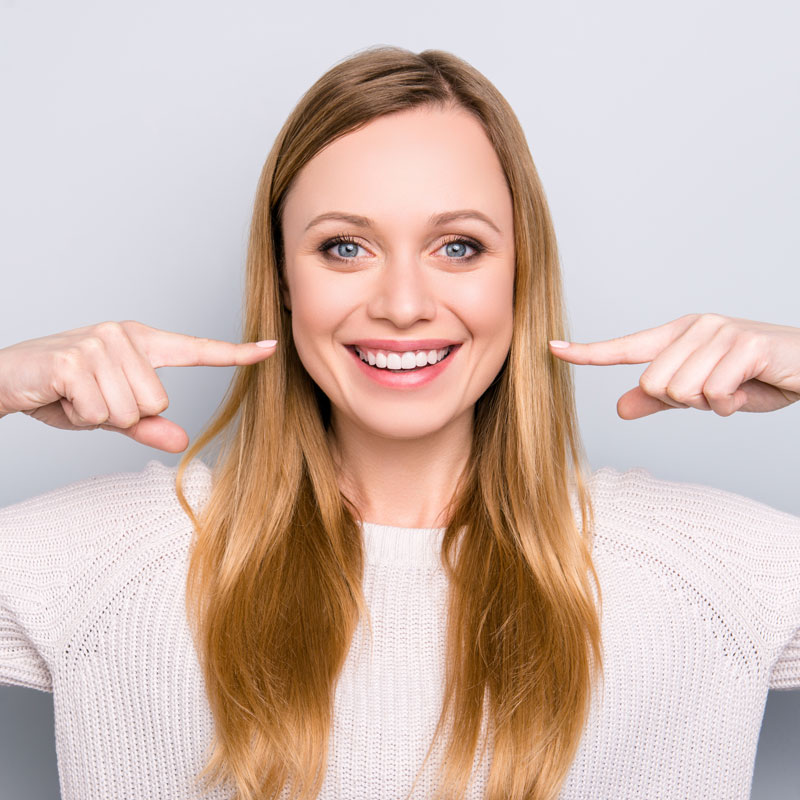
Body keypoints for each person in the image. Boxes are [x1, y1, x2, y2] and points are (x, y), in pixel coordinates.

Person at [1, 44, 799, 800]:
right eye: (346, 247)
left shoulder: (705, 573)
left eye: (458, 247)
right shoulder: (107, 562)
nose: (405, 305)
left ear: (522, 276)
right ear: (282, 278)